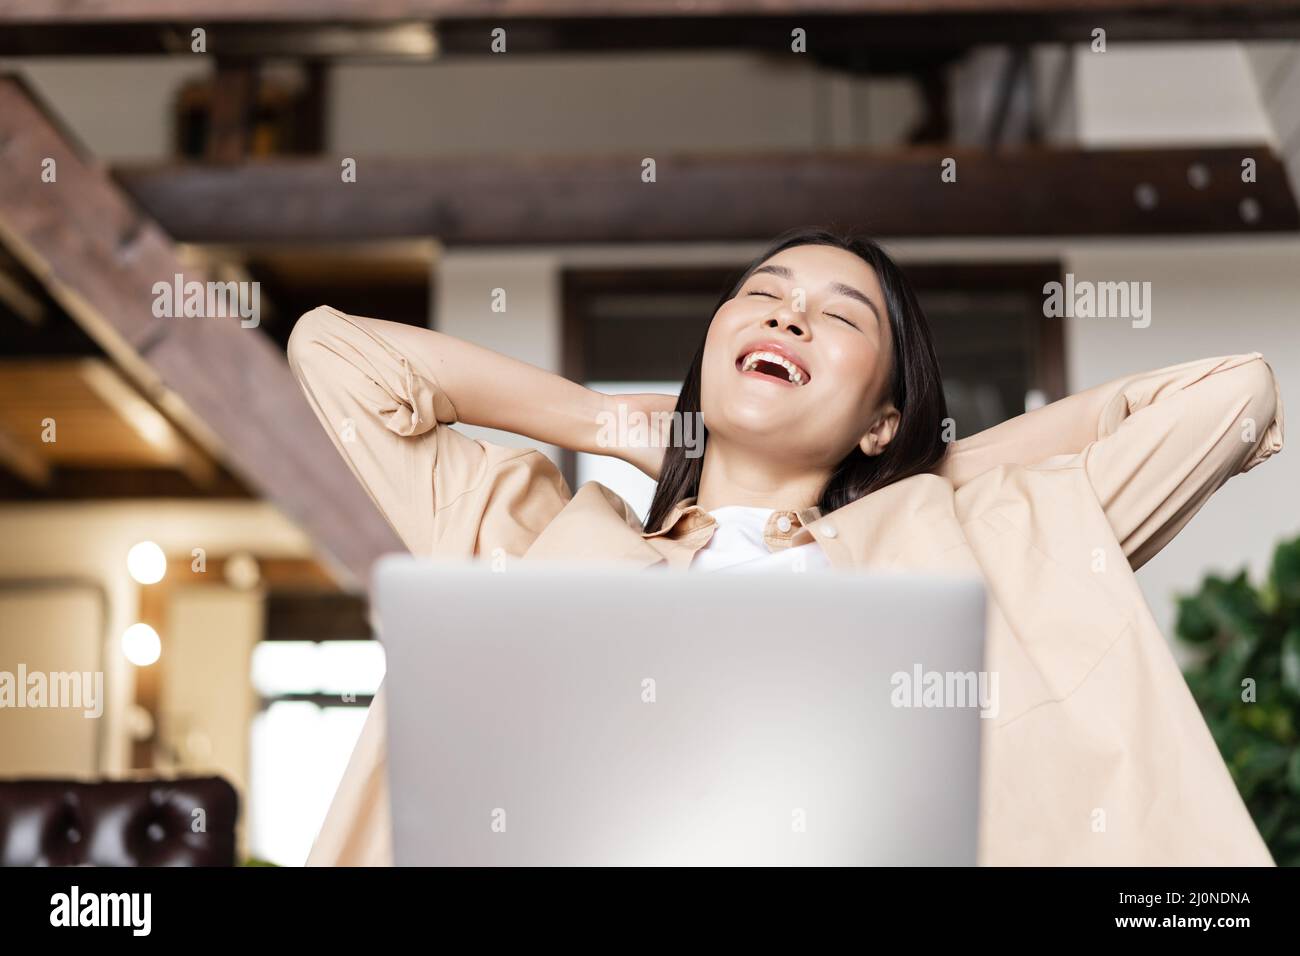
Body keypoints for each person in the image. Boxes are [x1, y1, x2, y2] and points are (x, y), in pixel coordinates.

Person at [286, 227, 1284, 865]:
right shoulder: (541, 543)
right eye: (764, 293)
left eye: (839, 315)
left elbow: (1228, 400)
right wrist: (607, 423)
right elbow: (333, 352)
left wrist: (924, 468)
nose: (788, 311)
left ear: (882, 415)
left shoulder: (960, 543)